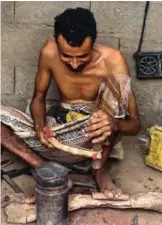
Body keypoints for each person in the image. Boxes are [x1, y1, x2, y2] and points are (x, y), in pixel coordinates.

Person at [1, 7, 141, 199]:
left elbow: (135, 125)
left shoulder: (112, 59)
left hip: (94, 134)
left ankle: (99, 172)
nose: (74, 64)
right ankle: (46, 169)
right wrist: (40, 126)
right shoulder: (49, 52)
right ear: (57, 44)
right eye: (66, 56)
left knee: (114, 93)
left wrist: (114, 123)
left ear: (94, 42)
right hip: (60, 127)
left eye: (83, 56)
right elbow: (38, 98)